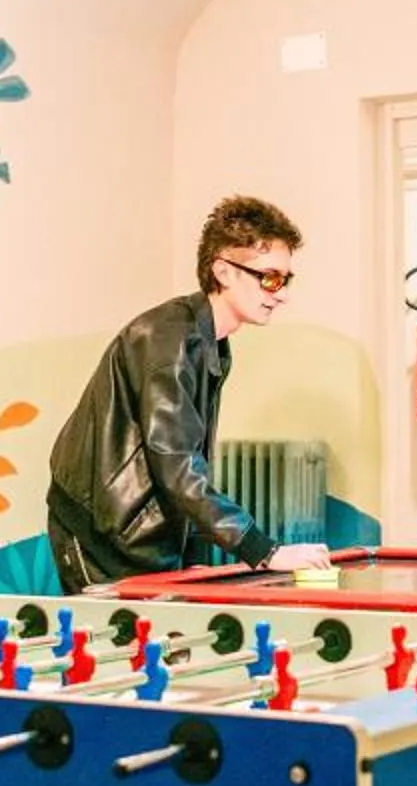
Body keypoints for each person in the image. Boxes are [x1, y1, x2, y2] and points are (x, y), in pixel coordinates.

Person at [44, 195, 334, 594]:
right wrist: (265, 551)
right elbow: (176, 465)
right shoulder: (168, 341)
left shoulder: (210, 341)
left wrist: (195, 562)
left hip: (141, 532)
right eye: (269, 277)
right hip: (101, 532)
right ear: (224, 271)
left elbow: (189, 460)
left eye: (285, 279)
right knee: (123, 651)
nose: (280, 293)